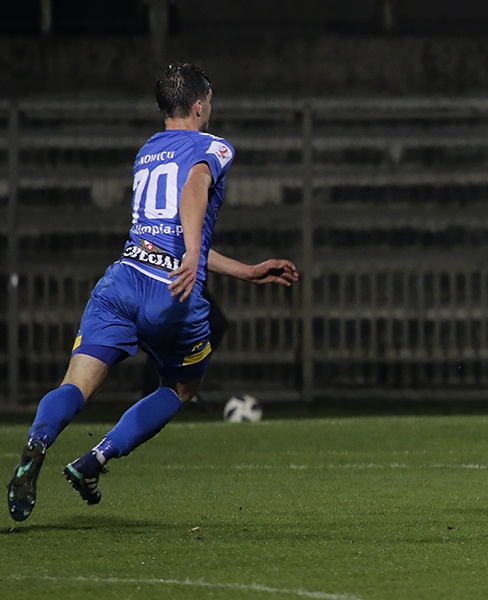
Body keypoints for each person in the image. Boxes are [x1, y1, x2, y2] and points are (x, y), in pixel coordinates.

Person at [6, 63, 299, 522]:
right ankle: (95, 459)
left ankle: (39, 440)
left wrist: (243, 271)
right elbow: (194, 189)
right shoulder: (213, 146)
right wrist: (193, 253)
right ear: (200, 105)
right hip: (170, 294)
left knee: (74, 385)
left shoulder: (147, 151)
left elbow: (172, 231)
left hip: (122, 281)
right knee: (181, 388)